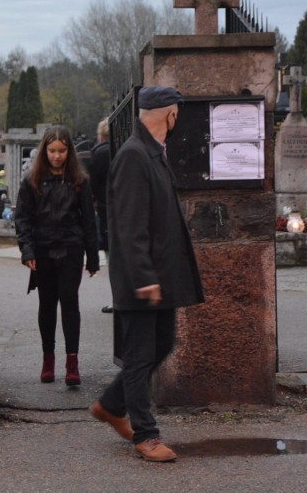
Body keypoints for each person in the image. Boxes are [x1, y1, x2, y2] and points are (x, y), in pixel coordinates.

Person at [89, 86, 204, 462]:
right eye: (177, 115)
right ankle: (145, 435)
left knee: (161, 345)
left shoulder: (151, 153)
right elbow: (129, 225)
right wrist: (143, 276)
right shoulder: (134, 156)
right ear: (170, 115)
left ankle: (110, 404)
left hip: (160, 275)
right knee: (139, 357)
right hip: (142, 278)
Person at [14, 126, 99, 386]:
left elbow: (89, 221)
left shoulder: (79, 181)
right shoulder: (32, 181)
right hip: (42, 250)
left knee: (70, 303)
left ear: (69, 151)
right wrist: (27, 251)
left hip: (71, 249)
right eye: (52, 151)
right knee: (47, 305)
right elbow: (23, 219)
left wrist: (93, 256)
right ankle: (47, 359)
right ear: (45, 151)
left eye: (62, 151)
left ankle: (72, 361)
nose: (57, 156)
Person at [88, 117, 113, 313]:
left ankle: (116, 298)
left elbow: (93, 185)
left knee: (111, 256)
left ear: (99, 135)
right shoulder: (120, 149)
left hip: (106, 209)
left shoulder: (99, 154)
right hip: (119, 207)